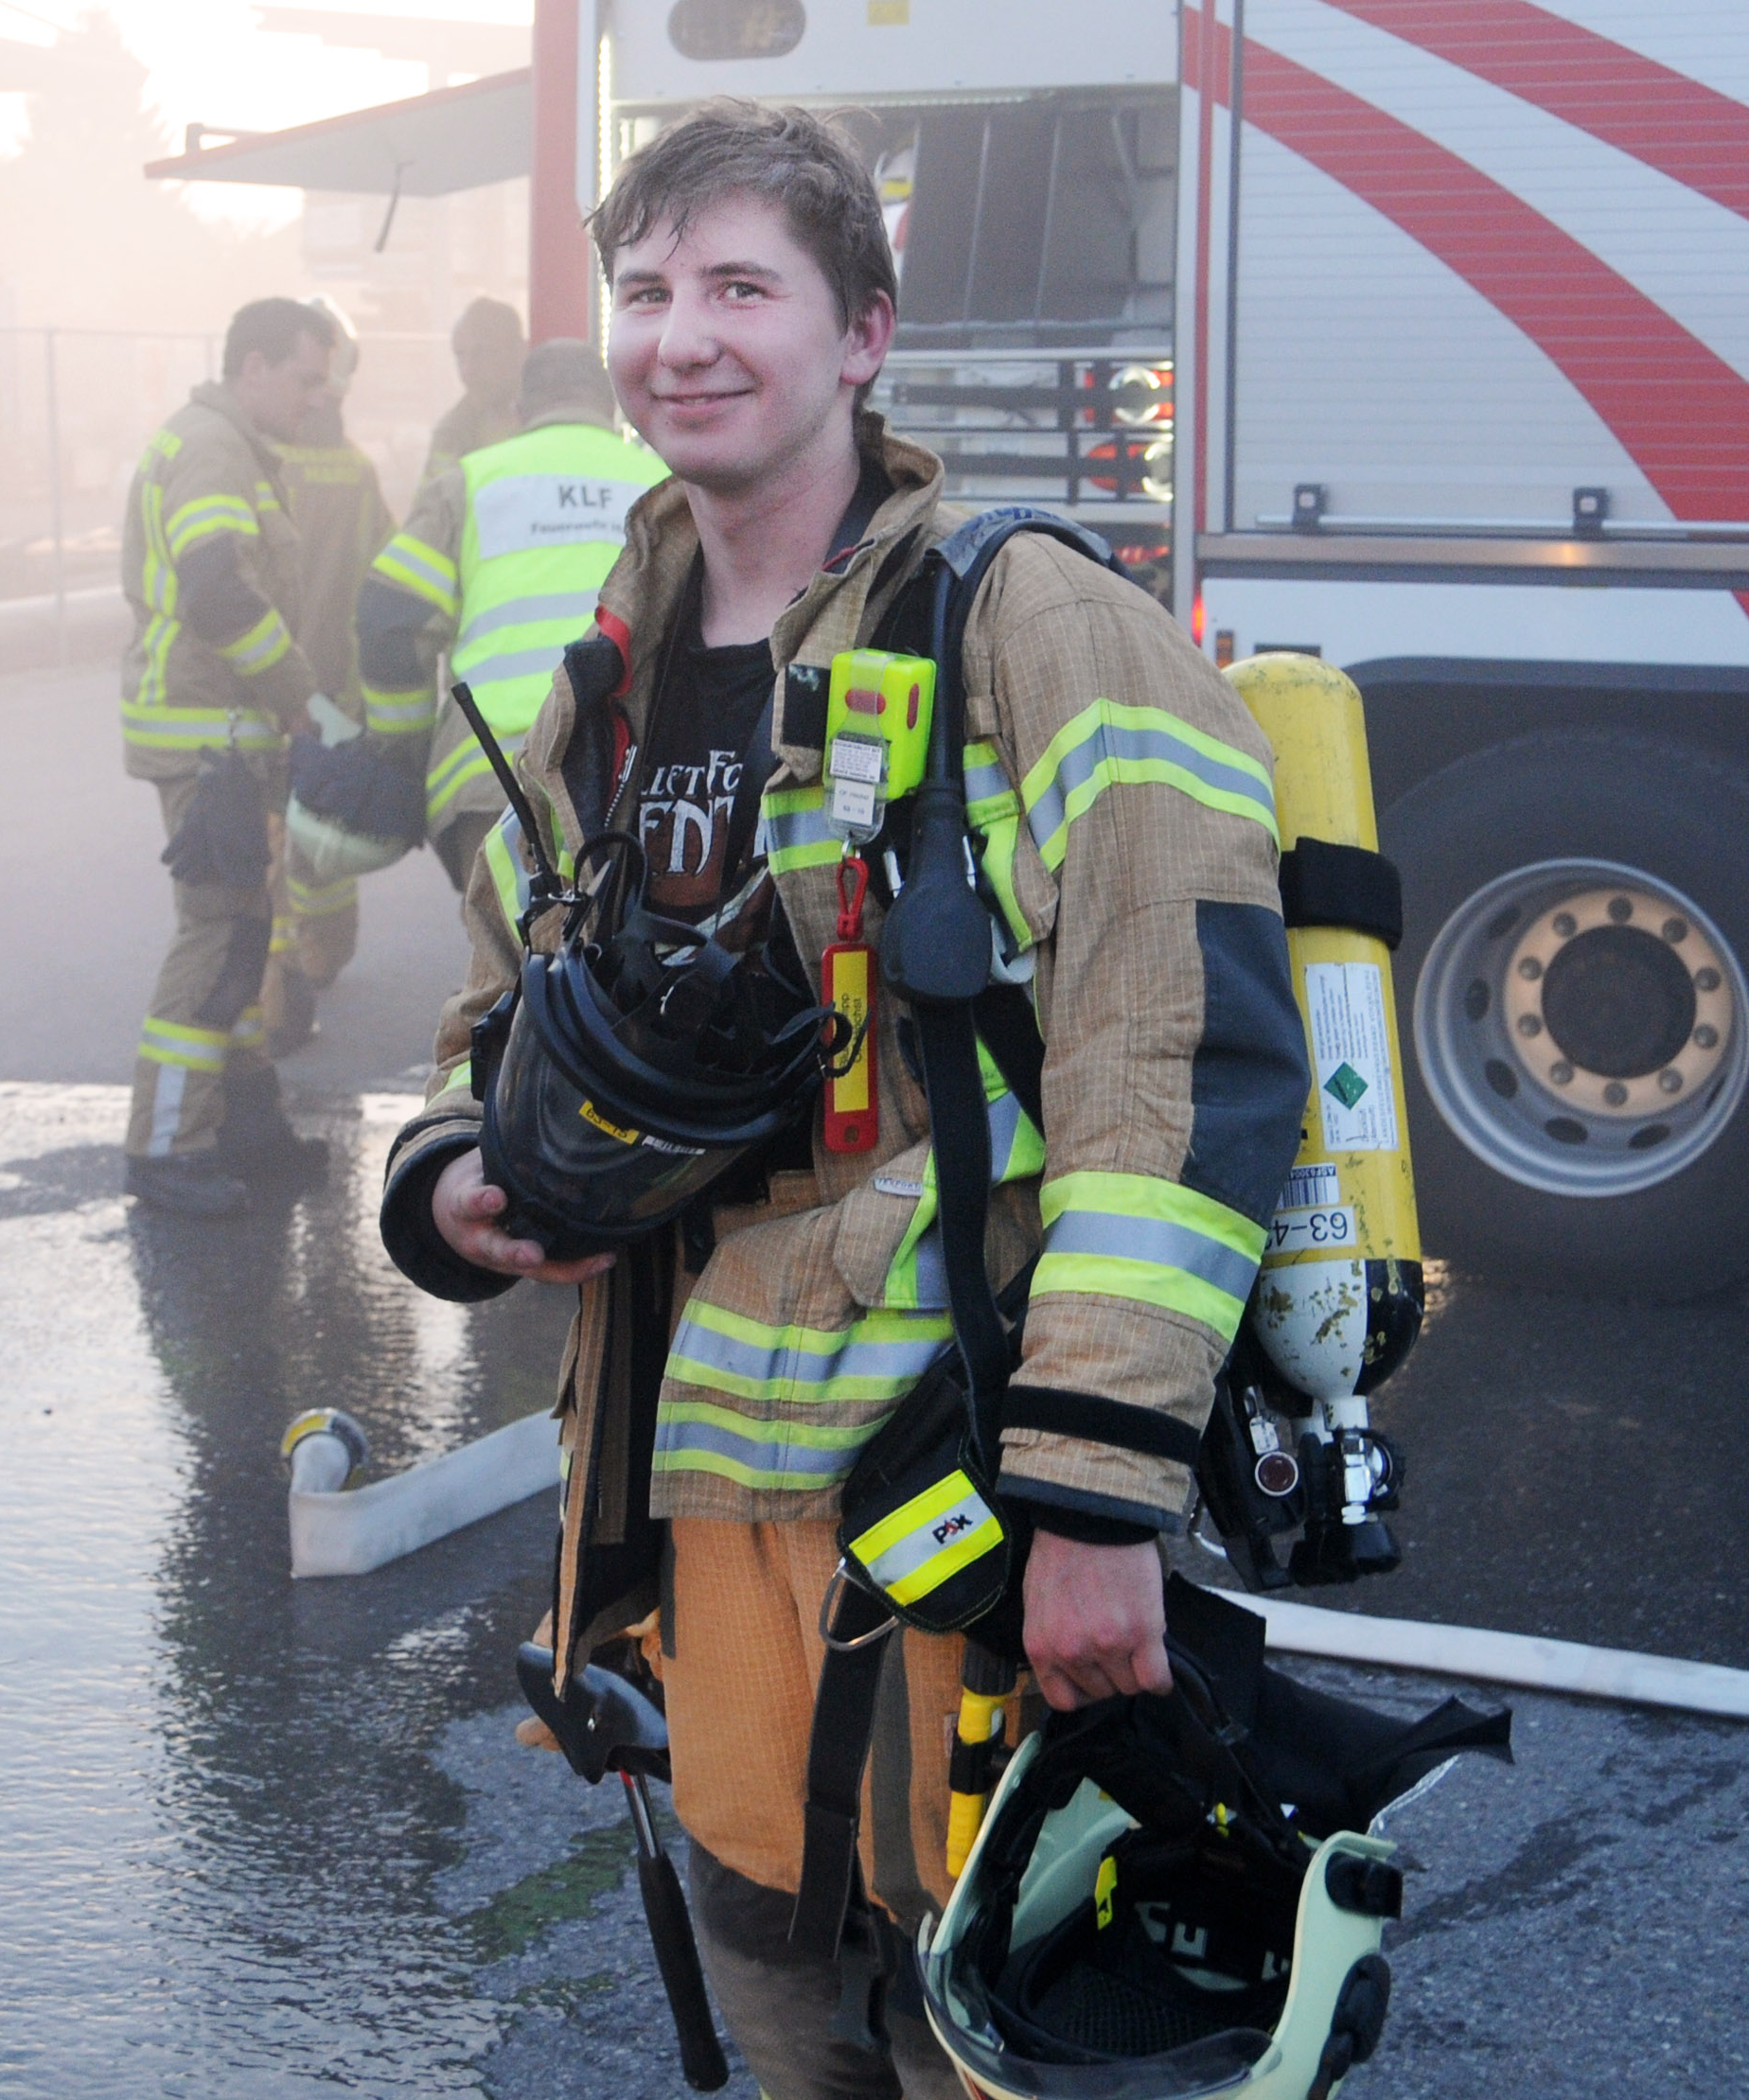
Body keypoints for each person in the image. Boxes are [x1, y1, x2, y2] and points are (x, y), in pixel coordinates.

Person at [378, 103, 1307, 2099]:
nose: (682, 336)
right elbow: (504, 994)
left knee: (1004, 2028)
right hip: (708, 1533)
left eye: (743, 287)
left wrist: (1096, 1496)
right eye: (646, 290)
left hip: (963, 1508)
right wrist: (456, 1161)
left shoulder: (1026, 624)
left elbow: (1175, 1057)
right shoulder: (614, 663)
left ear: (863, 334)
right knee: (789, 1998)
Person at [119, 297, 344, 1217]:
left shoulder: (230, 448)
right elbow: (215, 589)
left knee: (244, 932)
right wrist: (300, 695)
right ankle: (165, 1146)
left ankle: (247, 1125)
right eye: (305, 377)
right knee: (217, 933)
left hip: (221, 740)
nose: (317, 398)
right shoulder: (214, 451)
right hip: (207, 742)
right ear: (252, 367)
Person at [355, 339, 666, 894]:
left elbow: (389, 619)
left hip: (495, 779)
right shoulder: (663, 488)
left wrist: (402, 748)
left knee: (511, 946)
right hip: (630, 774)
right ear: (611, 409)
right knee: (620, 943)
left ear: (518, 413)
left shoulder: (468, 484)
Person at [262, 299, 396, 1056]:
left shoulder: (266, 467)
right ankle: (325, 948)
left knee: (271, 833)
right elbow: (388, 572)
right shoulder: (356, 474)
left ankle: (281, 975)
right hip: (336, 686)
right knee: (321, 830)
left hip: (268, 680)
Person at [421, 296, 526, 482]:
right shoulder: (452, 433)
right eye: (460, 356)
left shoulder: (548, 419)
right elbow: (434, 497)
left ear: (519, 351)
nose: (468, 369)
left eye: (482, 352)